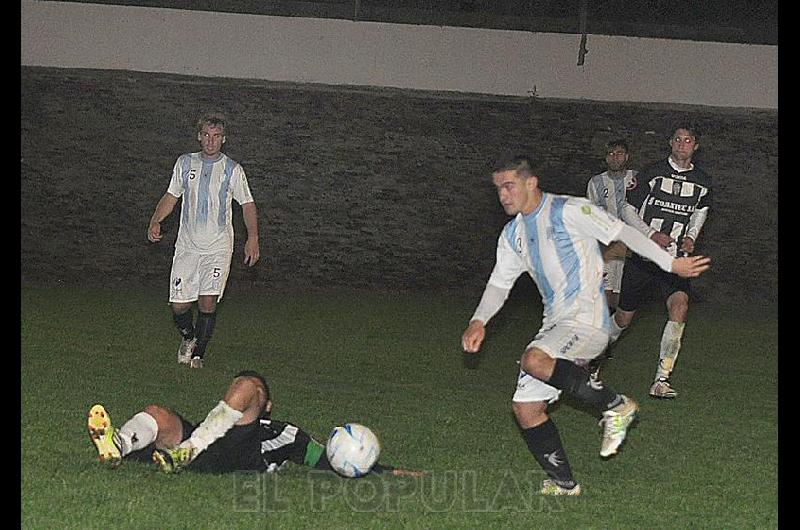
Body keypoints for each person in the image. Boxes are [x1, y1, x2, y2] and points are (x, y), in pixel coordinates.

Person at [461, 155, 710, 496]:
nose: (503, 194)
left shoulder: (569, 210)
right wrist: (479, 321)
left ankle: (616, 405)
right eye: (498, 189)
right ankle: (565, 484)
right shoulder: (513, 234)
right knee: (526, 408)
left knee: (533, 359)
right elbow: (499, 284)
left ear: (530, 183)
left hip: (588, 320)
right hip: (557, 326)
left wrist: (672, 265)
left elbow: (624, 232)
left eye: (509, 186)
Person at [87, 370, 422, 477]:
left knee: (249, 383)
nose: (240, 395)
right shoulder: (219, 420)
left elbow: (328, 457)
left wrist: (382, 469)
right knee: (156, 413)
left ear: (267, 406)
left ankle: (186, 450)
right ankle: (120, 446)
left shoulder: (281, 433)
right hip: (199, 446)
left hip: (239, 450)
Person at [147, 113, 260, 369]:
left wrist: (253, 237)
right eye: (206, 135)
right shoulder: (185, 163)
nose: (211, 141)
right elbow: (171, 196)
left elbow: (248, 205)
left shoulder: (233, 170)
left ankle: (199, 354)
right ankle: (189, 337)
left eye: (216, 136)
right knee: (179, 304)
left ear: (224, 139)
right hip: (188, 245)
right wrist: (156, 220)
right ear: (199, 136)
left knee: (207, 300)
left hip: (218, 247)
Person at [608, 123, 712, 399]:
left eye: (687, 140)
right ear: (670, 142)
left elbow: (699, 214)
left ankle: (661, 379)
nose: (682, 144)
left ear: (695, 146)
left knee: (680, 306)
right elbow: (627, 210)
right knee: (622, 318)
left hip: (675, 260)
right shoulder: (651, 174)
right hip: (644, 256)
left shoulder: (703, 182)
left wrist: (690, 237)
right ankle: (592, 360)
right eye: (677, 139)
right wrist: (652, 234)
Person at [586, 139, 648, 310]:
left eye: (619, 153)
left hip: (630, 244)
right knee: (604, 290)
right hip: (608, 244)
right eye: (611, 154)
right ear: (606, 158)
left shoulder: (637, 179)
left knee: (621, 294)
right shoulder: (596, 182)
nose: (615, 158)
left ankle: (613, 327)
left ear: (627, 157)